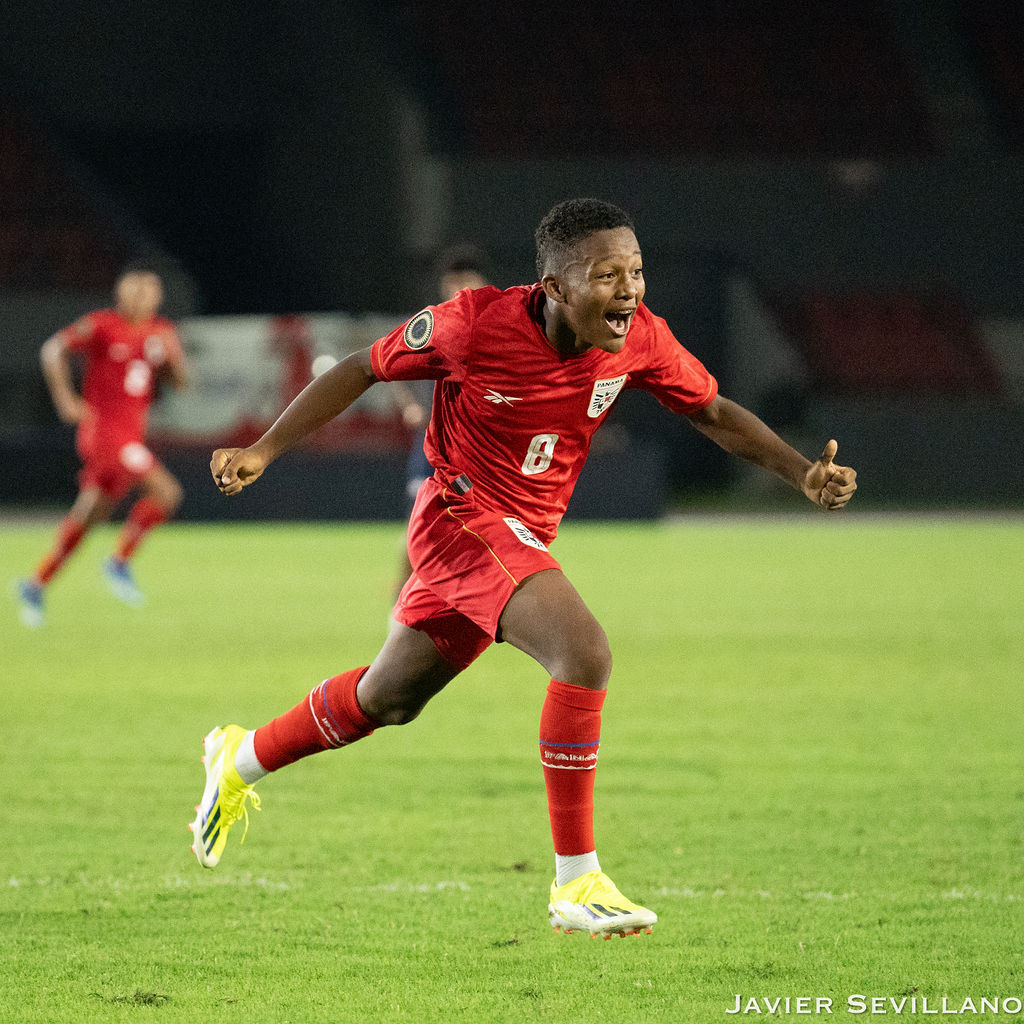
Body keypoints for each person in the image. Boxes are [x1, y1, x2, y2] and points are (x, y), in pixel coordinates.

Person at [190, 199, 857, 939]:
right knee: (585, 651)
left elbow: (713, 412)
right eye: (607, 275)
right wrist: (263, 450)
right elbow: (359, 368)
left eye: (636, 271)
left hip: (520, 534)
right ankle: (577, 881)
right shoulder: (473, 325)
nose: (630, 290)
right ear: (555, 285)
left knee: (388, 700)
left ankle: (240, 758)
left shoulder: (640, 340)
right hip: (457, 518)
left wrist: (799, 473)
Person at [15, 267, 190, 627]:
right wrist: (65, 399)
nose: (144, 298)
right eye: (136, 291)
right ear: (121, 295)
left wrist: (173, 357)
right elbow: (53, 349)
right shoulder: (102, 325)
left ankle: (37, 583)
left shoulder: (161, 332)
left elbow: (180, 382)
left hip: (130, 436)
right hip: (105, 435)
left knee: (89, 514)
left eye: (150, 292)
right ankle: (119, 563)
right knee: (167, 493)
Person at [391, 244, 490, 594]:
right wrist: (409, 405)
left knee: (478, 525)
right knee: (419, 516)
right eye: (454, 282)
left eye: (467, 280)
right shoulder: (431, 324)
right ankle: (401, 593)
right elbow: (388, 366)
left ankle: (460, 596)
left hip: (479, 449)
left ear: (481, 281)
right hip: (434, 441)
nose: (460, 288)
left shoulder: (495, 324)